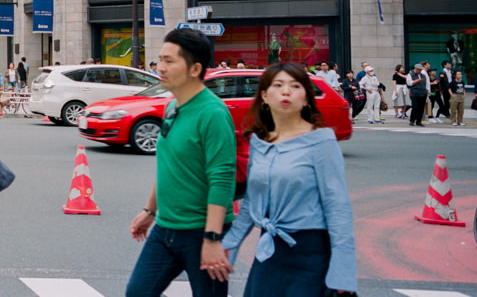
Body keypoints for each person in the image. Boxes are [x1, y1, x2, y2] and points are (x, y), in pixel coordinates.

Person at [222, 63, 357, 296]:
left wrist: (342, 271)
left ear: (306, 98)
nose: (286, 91)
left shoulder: (322, 141)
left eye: (295, 86)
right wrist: (228, 244)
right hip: (270, 253)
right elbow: (252, 204)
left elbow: (338, 208)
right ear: (264, 96)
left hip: (311, 254)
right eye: (278, 85)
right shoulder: (260, 142)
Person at [126, 28, 235, 297]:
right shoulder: (172, 107)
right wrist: (150, 211)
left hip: (201, 231)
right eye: (160, 59)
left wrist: (212, 238)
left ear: (195, 68)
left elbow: (221, 178)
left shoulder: (213, 114)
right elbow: (169, 164)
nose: (160, 67)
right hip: (166, 228)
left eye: (169, 61)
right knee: (138, 293)